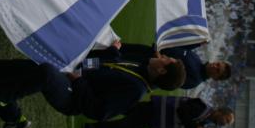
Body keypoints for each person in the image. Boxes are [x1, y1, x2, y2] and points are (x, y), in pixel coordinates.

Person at [0, 55, 185, 128]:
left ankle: (0, 97)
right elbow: (104, 66)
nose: (162, 56)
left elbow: (98, 111)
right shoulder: (139, 66)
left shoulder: (136, 90)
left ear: (162, 71)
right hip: (76, 78)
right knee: (1, 71)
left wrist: (77, 80)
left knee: (46, 73)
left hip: (73, 98)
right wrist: (79, 63)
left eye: (166, 60)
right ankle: (14, 120)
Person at [87, 39, 231, 90]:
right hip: (149, 54)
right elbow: (180, 48)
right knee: (116, 50)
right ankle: (86, 56)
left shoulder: (194, 80)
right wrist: (197, 41)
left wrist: (159, 57)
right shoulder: (198, 61)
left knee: (114, 62)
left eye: (218, 70)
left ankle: (82, 66)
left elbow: (168, 78)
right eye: (218, 64)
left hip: (147, 65)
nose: (215, 66)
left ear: (216, 78)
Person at [84, 96, 234, 128]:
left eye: (226, 124)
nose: (223, 124)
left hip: (156, 118)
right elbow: (182, 111)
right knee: (123, 126)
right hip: (155, 112)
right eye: (226, 120)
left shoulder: (205, 121)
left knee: (121, 110)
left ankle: (90, 105)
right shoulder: (203, 108)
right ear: (221, 112)